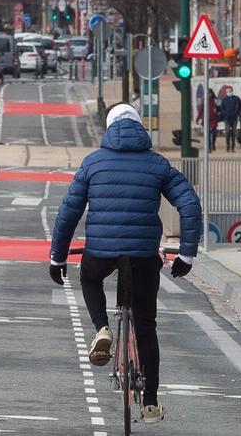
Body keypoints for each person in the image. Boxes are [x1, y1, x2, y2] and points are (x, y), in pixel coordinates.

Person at [48, 103, 202, 423]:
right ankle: (149, 402)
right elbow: (189, 204)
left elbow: (68, 214)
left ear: (108, 129)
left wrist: (57, 256)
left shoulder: (93, 164)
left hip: (101, 252)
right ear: (140, 128)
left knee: (90, 279)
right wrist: (186, 253)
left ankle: (102, 328)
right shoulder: (157, 165)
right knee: (146, 325)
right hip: (144, 255)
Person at [220, 88, 241, 152]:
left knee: (233, 133)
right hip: (227, 119)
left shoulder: (236, 99)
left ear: (232, 91)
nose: (229, 92)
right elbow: (222, 108)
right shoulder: (224, 99)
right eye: (227, 91)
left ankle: (233, 147)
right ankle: (227, 146)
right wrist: (225, 114)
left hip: (234, 118)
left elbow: (240, 106)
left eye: (230, 91)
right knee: (227, 132)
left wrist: (237, 113)